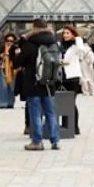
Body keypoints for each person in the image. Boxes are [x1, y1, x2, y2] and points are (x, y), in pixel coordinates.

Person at [14, 19, 62, 151]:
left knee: (35, 113)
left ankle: (37, 141)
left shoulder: (30, 43)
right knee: (50, 113)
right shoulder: (54, 42)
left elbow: (18, 63)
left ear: (34, 28)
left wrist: (21, 44)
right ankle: (55, 141)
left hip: (33, 82)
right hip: (49, 83)